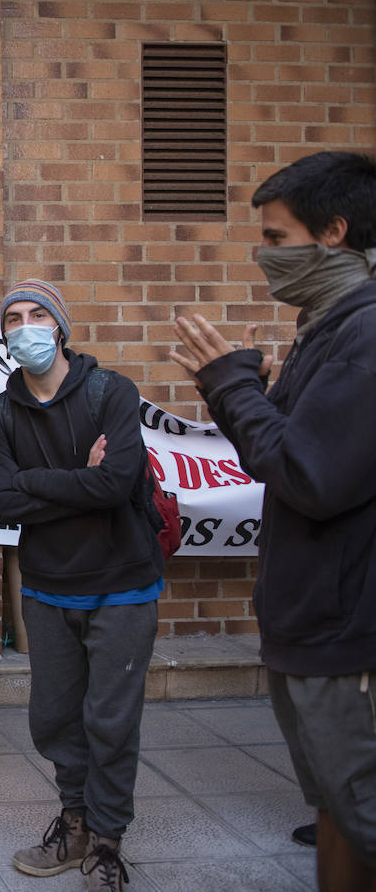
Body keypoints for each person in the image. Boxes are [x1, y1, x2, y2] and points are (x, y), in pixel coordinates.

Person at [170, 151, 376, 892]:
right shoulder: (325, 327)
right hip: (306, 619)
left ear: (335, 232)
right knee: (332, 806)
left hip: (341, 629)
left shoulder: (365, 333)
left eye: (278, 239)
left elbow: (309, 475)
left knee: (361, 808)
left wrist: (228, 386)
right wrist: (258, 388)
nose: (265, 256)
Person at [0, 280, 163, 892]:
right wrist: (74, 478)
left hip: (122, 585)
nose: (24, 326)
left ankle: (107, 840)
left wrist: (40, 484)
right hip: (49, 586)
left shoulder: (112, 391)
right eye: (12, 318)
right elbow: (3, 501)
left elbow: (114, 485)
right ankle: (76, 819)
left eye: (36, 315)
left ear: (60, 326)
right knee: (54, 719)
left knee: (110, 721)